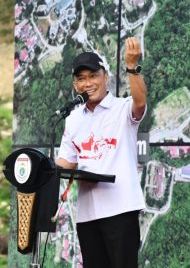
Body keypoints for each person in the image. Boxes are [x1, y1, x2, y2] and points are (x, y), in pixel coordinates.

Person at [56, 37, 147, 268]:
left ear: (105, 77)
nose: (88, 83)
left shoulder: (122, 108)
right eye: (81, 79)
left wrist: (132, 68)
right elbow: (66, 163)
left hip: (121, 210)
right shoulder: (73, 119)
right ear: (75, 85)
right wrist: (43, 170)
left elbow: (140, 102)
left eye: (93, 76)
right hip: (87, 216)